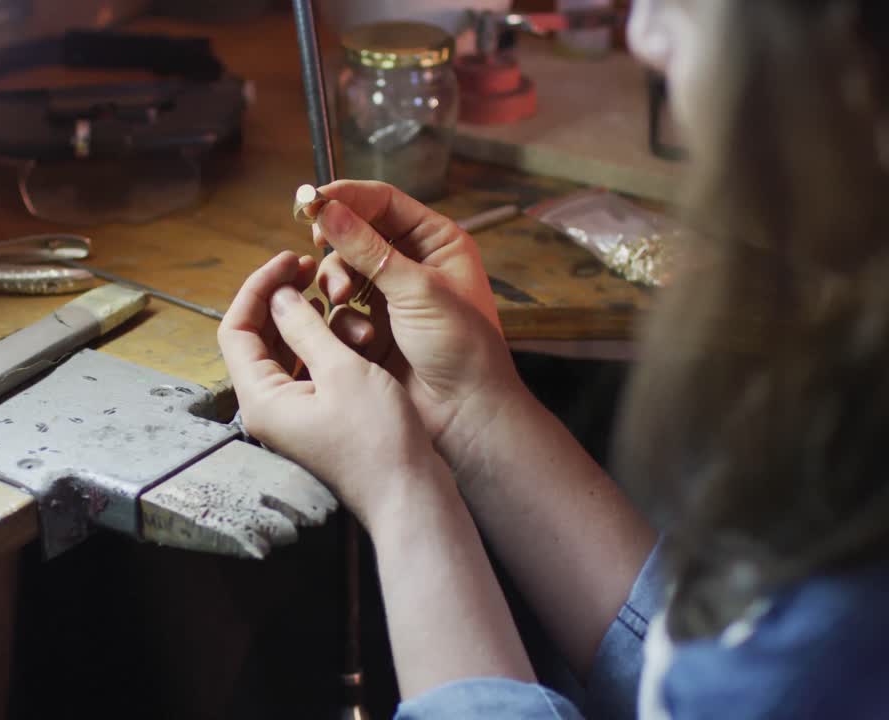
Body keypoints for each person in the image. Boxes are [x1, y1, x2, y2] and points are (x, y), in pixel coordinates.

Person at [217, 1, 889, 717]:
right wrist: (475, 409)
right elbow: (694, 676)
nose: (643, 35)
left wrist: (402, 489)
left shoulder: (832, 641)